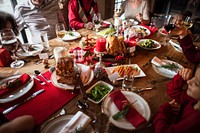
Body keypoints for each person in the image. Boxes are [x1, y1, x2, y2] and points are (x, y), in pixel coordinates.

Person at [153, 65, 200, 133]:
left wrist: (163, 110)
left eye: (196, 83)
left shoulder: (194, 122)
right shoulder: (195, 100)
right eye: (194, 77)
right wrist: (182, 76)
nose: (188, 81)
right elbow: (173, 92)